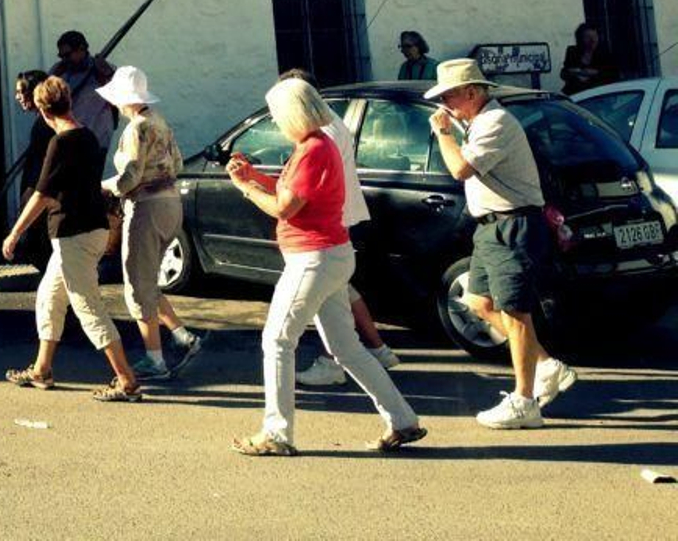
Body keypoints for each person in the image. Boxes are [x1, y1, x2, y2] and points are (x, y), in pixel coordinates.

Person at [227, 78, 424, 455]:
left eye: (276, 115)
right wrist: (253, 176)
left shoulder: (313, 148)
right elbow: (292, 193)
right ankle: (403, 420)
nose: (275, 122)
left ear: (291, 113)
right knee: (347, 349)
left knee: (277, 340)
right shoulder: (317, 145)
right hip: (330, 255)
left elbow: (286, 207)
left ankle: (277, 434)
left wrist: (247, 189)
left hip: (312, 258)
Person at [428, 58, 578, 428]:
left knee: (515, 312)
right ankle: (546, 366)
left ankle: (525, 402)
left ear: (473, 92)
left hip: (511, 226)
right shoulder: (479, 122)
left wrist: (444, 132)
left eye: (450, 96)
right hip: (491, 228)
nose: (445, 105)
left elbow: (460, 169)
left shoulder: (495, 122)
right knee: (478, 302)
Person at [2, 76, 140, 402]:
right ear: (69, 102)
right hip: (92, 228)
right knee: (50, 297)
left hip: (73, 233)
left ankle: (126, 380)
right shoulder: (88, 137)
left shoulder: (60, 142)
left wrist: (15, 232)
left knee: (87, 305)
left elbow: (42, 194)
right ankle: (41, 369)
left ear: (41, 109)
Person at [276, 68, 401, 388]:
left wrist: (253, 188)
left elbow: (297, 197)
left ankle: (340, 360)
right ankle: (376, 349)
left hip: (326, 223)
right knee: (340, 289)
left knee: (289, 327)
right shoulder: (329, 123)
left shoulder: (320, 133)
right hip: (337, 218)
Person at [96, 67, 203, 381]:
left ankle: (154, 360)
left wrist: (104, 186)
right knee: (149, 279)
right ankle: (182, 336)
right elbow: (179, 162)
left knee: (137, 285)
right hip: (170, 204)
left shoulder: (136, 129)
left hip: (146, 206)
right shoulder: (159, 122)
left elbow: (130, 177)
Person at [13, 69, 56, 269]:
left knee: (38, 243)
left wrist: (32, 194)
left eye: (21, 92)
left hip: (41, 190)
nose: (18, 97)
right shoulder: (42, 123)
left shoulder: (46, 124)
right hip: (37, 188)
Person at [50, 30, 118, 144]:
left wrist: (108, 74)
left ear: (81, 49)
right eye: (61, 56)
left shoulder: (103, 69)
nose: (64, 60)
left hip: (97, 138)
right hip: (67, 137)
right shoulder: (58, 70)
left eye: (67, 55)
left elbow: (120, 97)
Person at [560, 23, 618, 95]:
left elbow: (613, 75)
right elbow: (564, 73)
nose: (593, 40)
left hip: (599, 94)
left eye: (595, 36)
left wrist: (595, 73)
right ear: (580, 38)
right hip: (576, 94)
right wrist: (580, 72)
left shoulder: (604, 53)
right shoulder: (572, 51)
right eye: (588, 37)